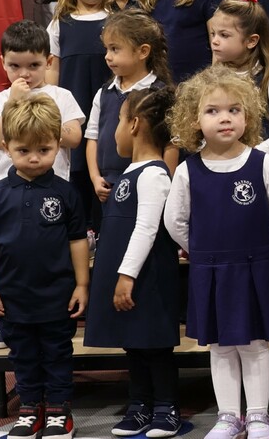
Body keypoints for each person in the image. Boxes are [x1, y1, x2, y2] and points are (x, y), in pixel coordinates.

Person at [164, 66, 269, 439]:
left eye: (234, 110)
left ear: (247, 116)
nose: (225, 118)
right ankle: (227, 417)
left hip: (256, 266)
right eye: (213, 110)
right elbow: (175, 221)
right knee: (221, 346)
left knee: (254, 343)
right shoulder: (188, 170)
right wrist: (201, 250)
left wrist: (254, 239)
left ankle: (258, 417)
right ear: (194, 119)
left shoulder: (261, 162)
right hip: (211, 269)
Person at [0, 94, 90, 439]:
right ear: (7, 147)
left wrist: (82, 284)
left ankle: (58, 410)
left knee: (57, 353)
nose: (35, 157)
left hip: (57, 294)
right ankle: (29, 408)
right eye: (23, 150)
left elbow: (77, 241)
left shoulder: (66, 192)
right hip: (12, 295)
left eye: (44, 149)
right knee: (22, 354)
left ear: (58, 144)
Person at [86, 87, 183, 438]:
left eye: (118, 120)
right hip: (127, 274)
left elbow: (147, 227)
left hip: (147, 276)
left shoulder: (154, 174)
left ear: (134, 124)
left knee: (154, 344)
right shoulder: (131, 172)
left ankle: (166, 407)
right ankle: (139, 405)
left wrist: (126, 275)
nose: (114, 131)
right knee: (134, 343)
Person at [84, 12, 173, 231]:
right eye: (106, 49)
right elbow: (93, 138)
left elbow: (172, 144)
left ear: (143, 51)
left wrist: (166, 183)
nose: (107, 56)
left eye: (115, 49)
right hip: (108, 186)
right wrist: (95, 178)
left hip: (147, 184)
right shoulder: (104, 93)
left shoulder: (159, 94)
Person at [0, 21, 85, 189]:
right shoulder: (1, 99)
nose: (24, 74)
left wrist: (45, 122)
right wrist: (12, 103)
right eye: (15, 66)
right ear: (3, 63)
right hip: (9, 187)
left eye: (34, 65)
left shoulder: (62, 96)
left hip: (53, 186)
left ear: (49, 61)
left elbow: (74, 139)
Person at [208, 0, 269, 160]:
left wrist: (250, 156)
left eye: (224, 35)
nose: (215, 41)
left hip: (262, 167)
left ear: (251, 41)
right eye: (213, 34)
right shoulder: (210, 82)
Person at [45, 0, 113, 130]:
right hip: (72, 111)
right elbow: (52, 70)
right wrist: (51, 107)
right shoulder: (58, 25)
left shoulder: (118, 22)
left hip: (109, 109)